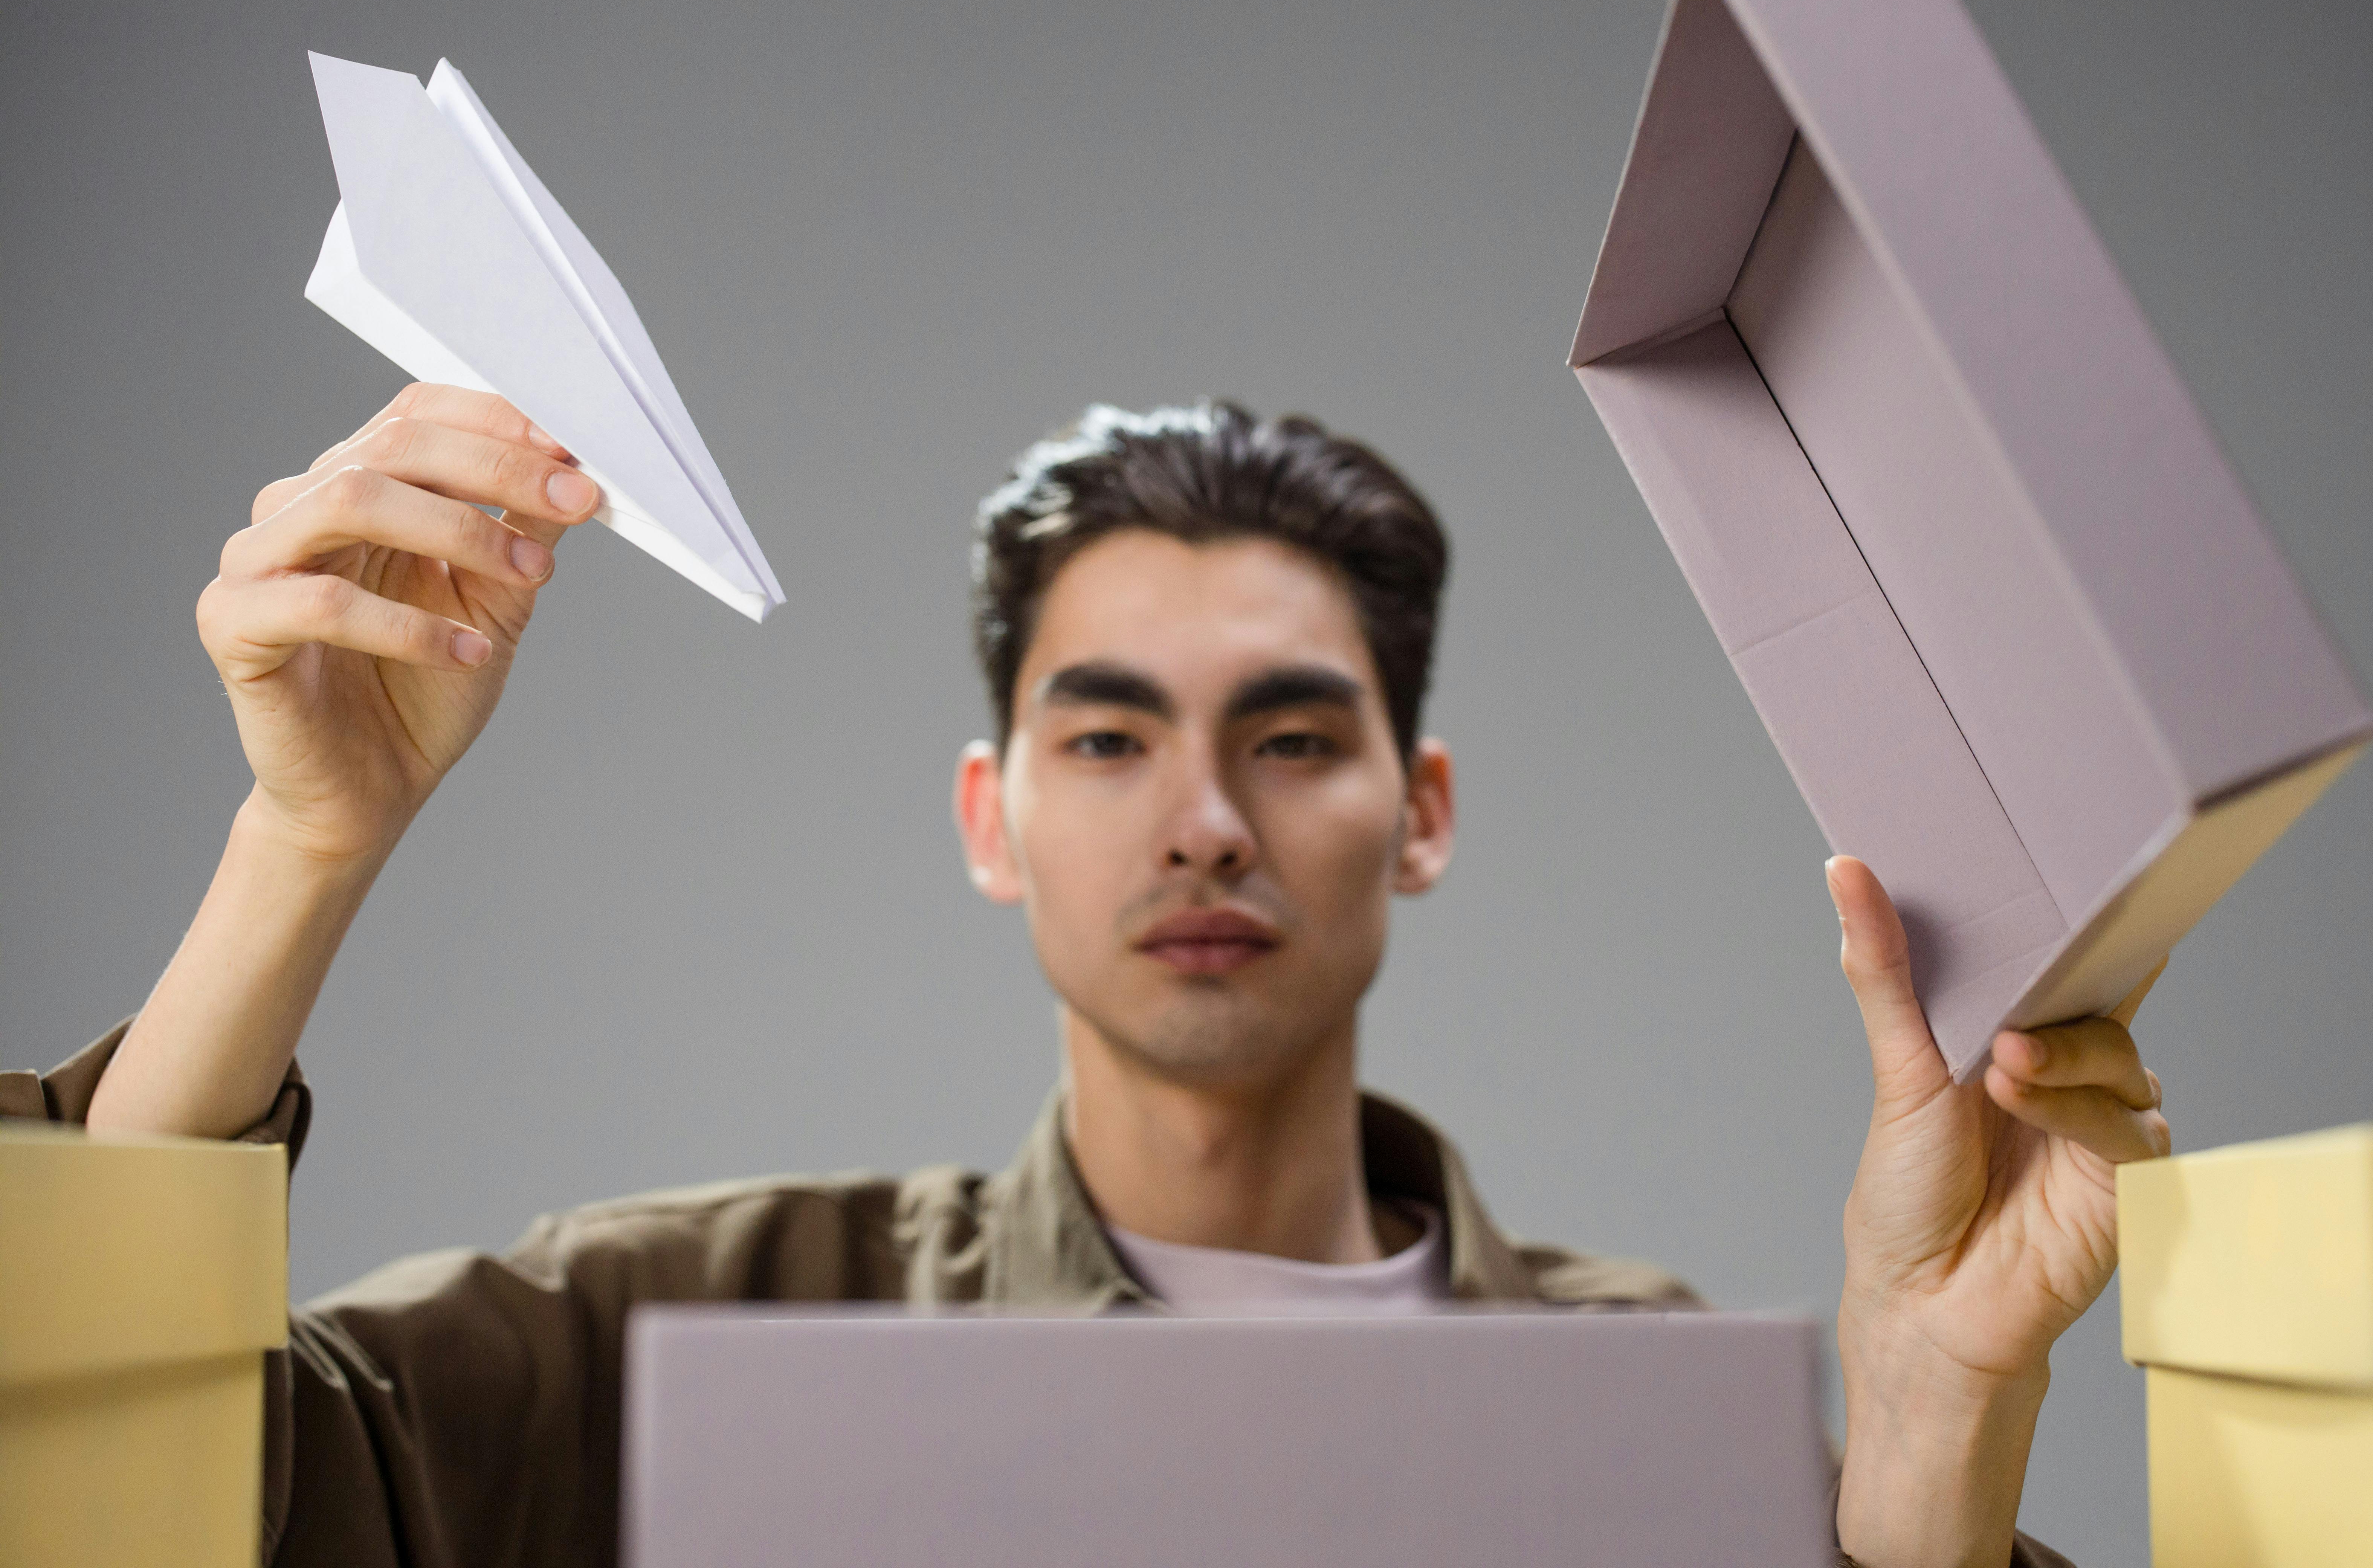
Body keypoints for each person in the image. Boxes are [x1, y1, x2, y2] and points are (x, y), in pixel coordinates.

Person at [11, 385, 2170, 1568]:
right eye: (1112, 736)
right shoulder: (683, 1334)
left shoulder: (1667, 1431)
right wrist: (305, 848)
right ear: (994, 815)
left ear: (1419, 812)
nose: (1205, 816)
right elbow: (98, 1486)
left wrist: (1933, 1423)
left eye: (1297, 738)